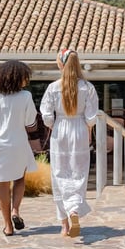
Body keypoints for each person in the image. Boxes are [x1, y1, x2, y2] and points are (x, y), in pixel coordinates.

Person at [40, 48, 99, 238]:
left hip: (60, 130)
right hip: (79, 130)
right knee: (78, 174)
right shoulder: (87, 88)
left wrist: (54, 125)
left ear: (61, 64)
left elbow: (46, 116)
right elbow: (91, 118)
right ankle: (74, 210)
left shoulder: (53, 87)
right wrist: (87, 129)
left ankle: (65, 225)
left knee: (59, 175)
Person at [0, 59, 39, 237]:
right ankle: (15, 210)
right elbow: (30, 121)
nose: (26, 80)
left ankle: (8, 226)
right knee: (19, 178)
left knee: (3, 183)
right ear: (18, 78)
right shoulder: (25, 96)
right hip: (18, 142)